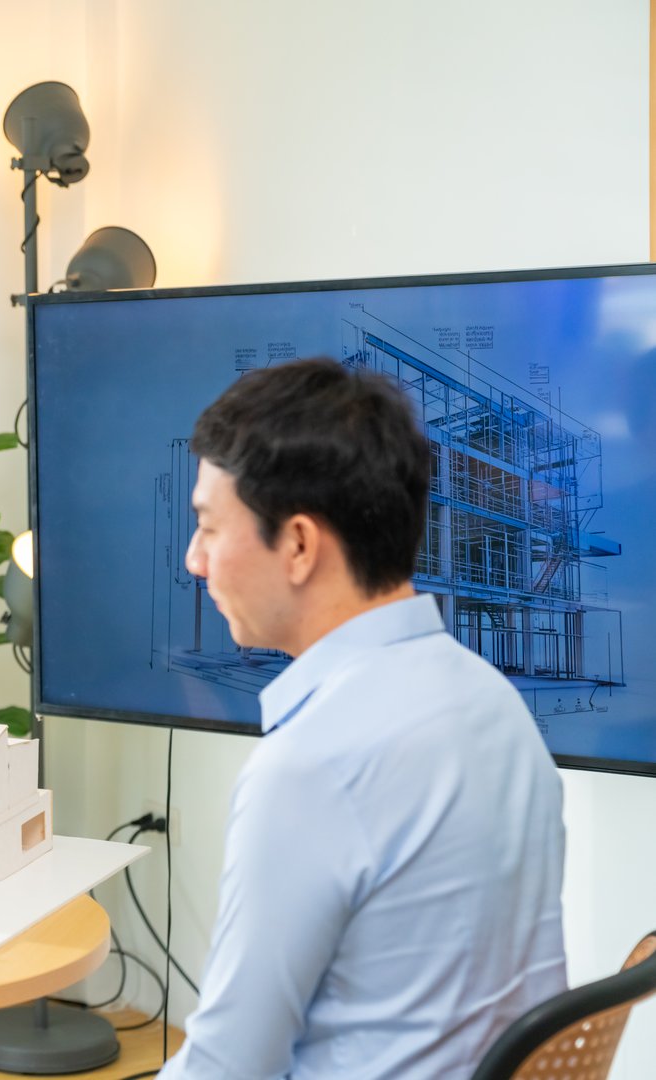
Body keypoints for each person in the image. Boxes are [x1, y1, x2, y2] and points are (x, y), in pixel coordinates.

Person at [158, 358, 566, 1079]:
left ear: (298, 545)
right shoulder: (493, 701)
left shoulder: (313, 768)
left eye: (208, 528)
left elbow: (226, 1067)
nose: (194, 559)